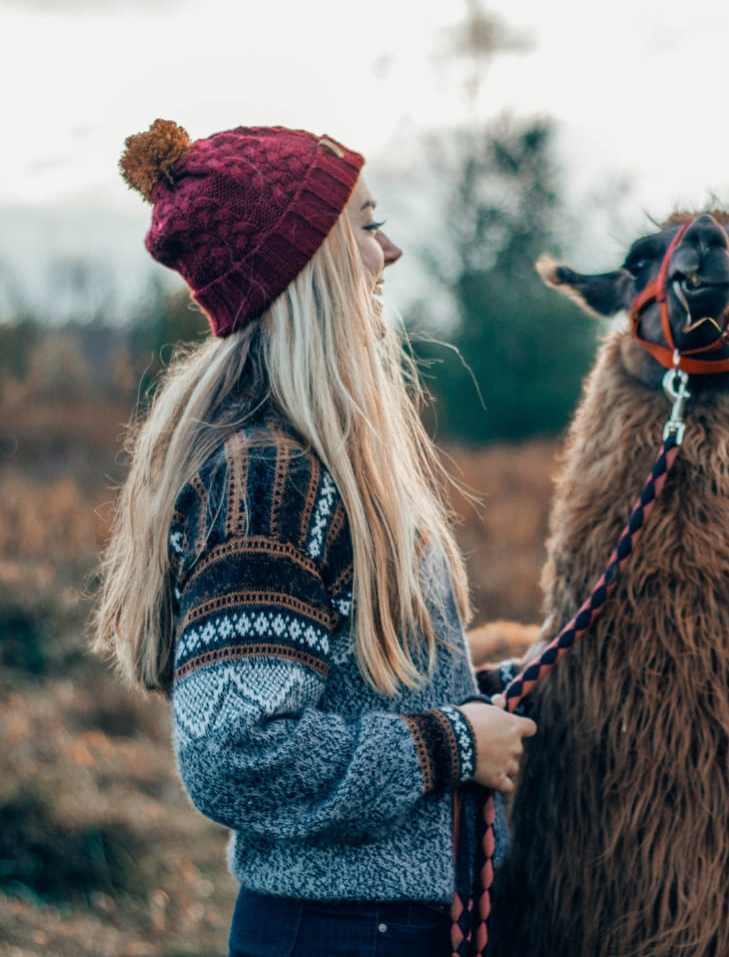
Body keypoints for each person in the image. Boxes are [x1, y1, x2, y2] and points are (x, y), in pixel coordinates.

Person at [91, 119, 537, 957]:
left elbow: (342, 688)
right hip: (347, 937)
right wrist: (455, 743)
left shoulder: (304, 464)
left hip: (376, 930)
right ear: (307, 268)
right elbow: (238, 755)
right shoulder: (269, 480)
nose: (391, 250)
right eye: (367, 227)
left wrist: (491, 690)